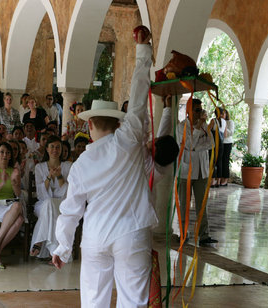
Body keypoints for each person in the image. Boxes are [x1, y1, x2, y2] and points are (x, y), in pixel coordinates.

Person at [52, 38, 157, 307]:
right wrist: (143, 51)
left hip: (95, 236)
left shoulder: (80, 165)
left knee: (93, 301)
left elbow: (71, 210)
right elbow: (137, 98)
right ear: (117, 122)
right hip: (131, 233)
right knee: (132, 301)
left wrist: (62, 248)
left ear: (89, 127)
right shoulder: (130, 139)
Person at [176, 98, 218, 246]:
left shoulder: (204, 126)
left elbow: (211, 143)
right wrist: (199, 131)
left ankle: (204, 235)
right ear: (189, 111)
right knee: (184, 204)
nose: (200, 113)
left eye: (201, 110)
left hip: (202, 171)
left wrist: (200, 134)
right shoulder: (182, 127)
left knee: (202, 204)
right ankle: (183, 233)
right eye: (197, 110)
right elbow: (189, 144)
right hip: (186, 171)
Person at [30, 136, 71, 259]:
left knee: (51, 205)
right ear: (47, 149)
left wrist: (59, 177)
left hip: (62, 204)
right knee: (48, 203)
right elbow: (40, 194)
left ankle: (39, 242)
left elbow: (68, 192)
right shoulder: (39, 167)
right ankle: (54, 252)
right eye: (52, 146)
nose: (55, 150)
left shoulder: (68, 166)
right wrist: (49, 176)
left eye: (58, 147)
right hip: (42, 204)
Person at [0, 142, 24, 269]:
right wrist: (1, 184)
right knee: (19, 215)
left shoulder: (14, 171)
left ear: (11, 156)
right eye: (1, 152)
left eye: (7, 153)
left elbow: (18, 194)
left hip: (10, 204)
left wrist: (13, 182)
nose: (4, 155)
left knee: (19, 214)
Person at [209, 107, 225, 187]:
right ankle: (218, 181)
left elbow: (208, 130)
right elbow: (224, 135)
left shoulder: (213, 120)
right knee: (219, 162)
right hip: (221, 144)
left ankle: (212, 181)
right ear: (222, 114)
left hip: (214, 144)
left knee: (212, 161)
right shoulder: (224, 122)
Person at [220, 109, 234, 186]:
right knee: (219, 161)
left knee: (225, 161)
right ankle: (219, 178)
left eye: (223, 114)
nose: (221, 115)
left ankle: (225, 179)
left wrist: (224, 125)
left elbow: (230, 133)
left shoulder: (230, 122)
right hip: (219, 143)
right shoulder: (217, 122)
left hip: (227, 143)